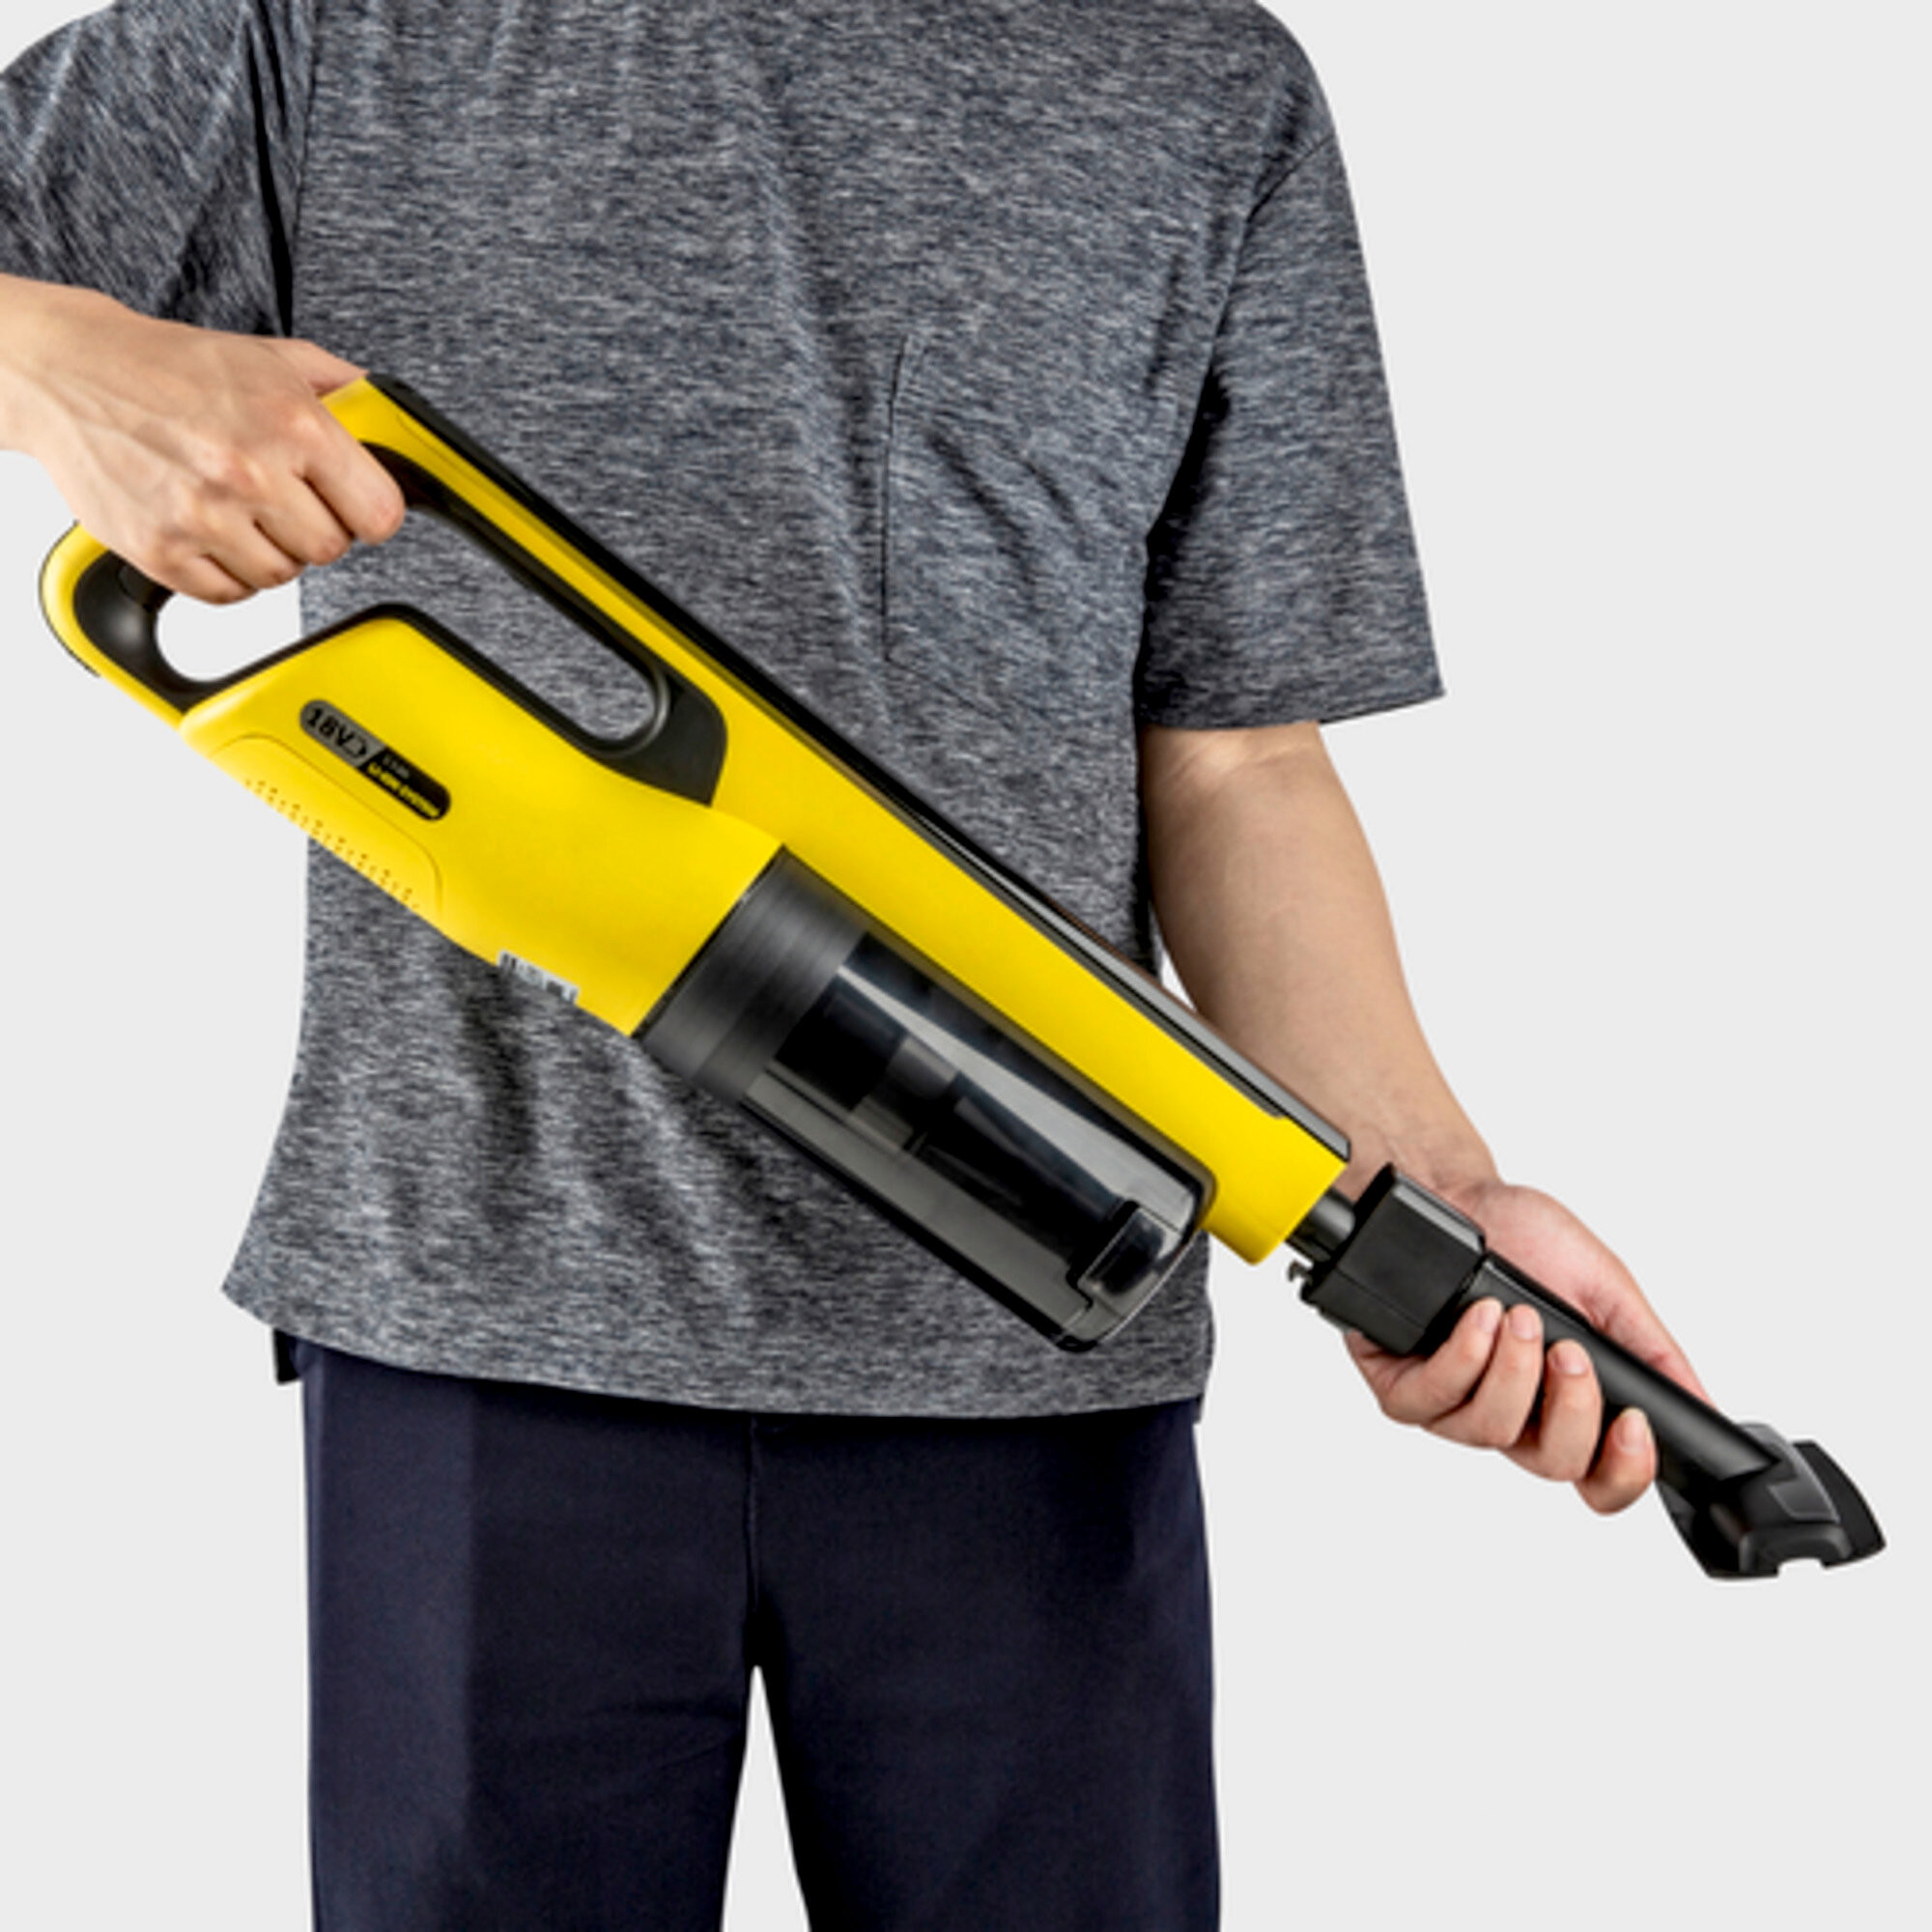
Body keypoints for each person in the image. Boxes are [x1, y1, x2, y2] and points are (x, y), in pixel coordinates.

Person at [1, 3, 1704, 1926]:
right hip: (483, 1329)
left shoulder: (1203, 86)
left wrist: (1438, 1208)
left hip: (1035, 1350)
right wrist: (59, 362)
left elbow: (1234, 762)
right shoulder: (335, 37)